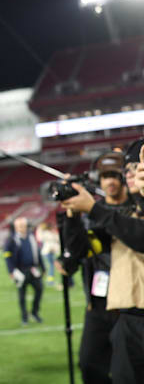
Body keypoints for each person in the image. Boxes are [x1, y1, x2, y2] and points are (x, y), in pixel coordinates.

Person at [61, 143, 144, 384]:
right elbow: (77, 251)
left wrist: (94, 209)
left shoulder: (130, 210)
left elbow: (137, 235)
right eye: (108, 175)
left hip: (131, 308)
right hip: (106, 306)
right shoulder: (106, 214)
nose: (122, 178)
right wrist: (73, 216)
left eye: (126, 172)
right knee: (91, 365)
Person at [4, 217, 45, 326]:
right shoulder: (12, 239)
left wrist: (43, 267)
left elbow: (38, 253)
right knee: (22, 295)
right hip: (20, 271)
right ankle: (24, 317)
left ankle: (34, 312)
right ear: (16, 227)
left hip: (33, 269)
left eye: (23, 225)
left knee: (39, 289)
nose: (22, 228)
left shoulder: (31, 237)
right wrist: (11, 271)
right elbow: (7, 256)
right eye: (19, 226)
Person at [35, 222, 60, 287]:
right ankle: (49, 280)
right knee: (50, 266)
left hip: (51, 252)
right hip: (47, 252)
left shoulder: (51, 233)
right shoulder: (46, 233)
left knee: (50, 266)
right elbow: (39, 238)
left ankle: (49, 280)